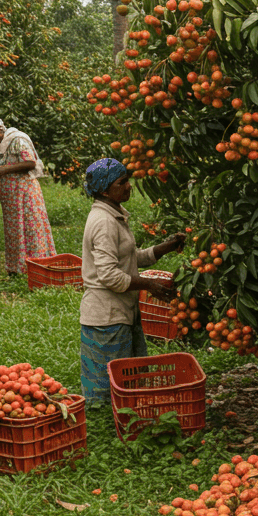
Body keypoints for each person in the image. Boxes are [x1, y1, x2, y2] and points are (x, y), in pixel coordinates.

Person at [79, 158, 183, 401]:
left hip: (120, 312)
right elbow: (109, 275)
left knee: (125, 381)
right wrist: (148, 284)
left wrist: (165, 247)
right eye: (122, 182)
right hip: (106, 317)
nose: (129, 186)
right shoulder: (104, 222)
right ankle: (105, 427)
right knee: (106, 389)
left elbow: (129, 259)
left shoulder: (114, 214)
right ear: (105, 190)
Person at [0, 116, 56, 276]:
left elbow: (30, 163)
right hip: (11, 198)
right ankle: (17, 267)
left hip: (25, 193)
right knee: (15, 230)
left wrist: (5, 170)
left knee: (30, 227)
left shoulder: (16, 139)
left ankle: (37, 266)